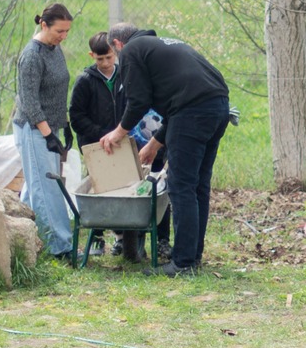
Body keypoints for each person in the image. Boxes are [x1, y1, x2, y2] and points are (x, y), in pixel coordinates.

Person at [96, 24, 228, 277]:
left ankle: (183, 263)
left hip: (192, 112)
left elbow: (138, 101)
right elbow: (177, 104)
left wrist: (117, 133)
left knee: (181, 185)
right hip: (217, 106)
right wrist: (154, 145)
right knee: (198, 185)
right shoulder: (161, 44)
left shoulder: (132, 50)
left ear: (117, 44)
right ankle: (193, 256)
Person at [69, 32, 168, 262]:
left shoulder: (126, 75)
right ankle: (102, 236)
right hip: (99, 146)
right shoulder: (85, 81)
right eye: (99, 59)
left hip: (127, 143)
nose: (105, 63)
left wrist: (124, 133)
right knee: (104, 191)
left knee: (133, 190)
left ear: (115, 52)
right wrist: (104, 134)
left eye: (109, 57)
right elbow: (77, 117)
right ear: (91, 56)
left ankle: (149, 239)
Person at [13, 3, 78, 260]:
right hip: (33, 129)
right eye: (59, 31)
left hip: (52, 126)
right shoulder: (32, 56)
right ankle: (59, 246)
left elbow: (57, 90)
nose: (64, 36)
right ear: (44, 25)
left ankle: (24, 241)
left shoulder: (54, 49)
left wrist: (65, 125)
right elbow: (30, 101)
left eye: (67, 31)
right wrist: (48, 134)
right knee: (46, 188)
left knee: (35, 188)